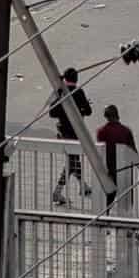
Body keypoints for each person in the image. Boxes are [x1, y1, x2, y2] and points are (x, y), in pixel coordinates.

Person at [49, 66, 94, 206]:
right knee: (72, 161)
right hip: (75, 132)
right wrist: (81, 108)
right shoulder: (79, 92)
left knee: (73, 160)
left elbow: (52, 112)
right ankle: (57, 191)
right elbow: (88, 111)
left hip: (63, 132)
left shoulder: (61, 92)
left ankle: (82, 186)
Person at [94, 104, 138, 209]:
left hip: (109, 169)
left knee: (108, 197)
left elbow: (101, 152)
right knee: (126, 199)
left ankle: (105, 216)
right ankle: (126, 218)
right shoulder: (126, 131)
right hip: (125, 168)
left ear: (106, 116)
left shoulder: (101, 131)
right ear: (117, 115)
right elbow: (133, 151)